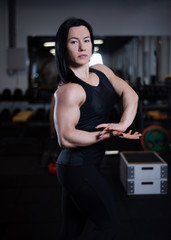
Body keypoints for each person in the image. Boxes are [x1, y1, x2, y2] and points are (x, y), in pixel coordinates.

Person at [53, 17, 142, 240]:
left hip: (88, 164)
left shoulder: (102, 71)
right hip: (77, 168)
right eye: (74, 42)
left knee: (71, 232)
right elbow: (66, 137)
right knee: (110, 227)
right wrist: (108, 133)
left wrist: (122, 124)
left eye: (86, 40)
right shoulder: (70, 90)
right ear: (63, 47)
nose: (83, 47)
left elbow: (130, 94)